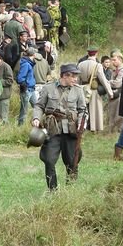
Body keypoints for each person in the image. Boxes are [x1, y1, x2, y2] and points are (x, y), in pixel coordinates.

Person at [32, 63, 87, 191]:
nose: (75, 79)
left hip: (71, 130)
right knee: (49, 160)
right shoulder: (48, 88)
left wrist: (81, 123)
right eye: (73, 76)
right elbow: (39, 105)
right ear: (64, 76)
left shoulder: (78, 90)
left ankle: (71, 190)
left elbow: (83, 110)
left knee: (72, 161)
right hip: (52, 130)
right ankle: (53, 190)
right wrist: (36, 117)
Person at [77, 46, 113, 132]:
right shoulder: (98, 65)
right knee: (94, 110)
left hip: (82, 89)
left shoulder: (80, 64)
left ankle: (82, 126)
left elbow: (78, 79)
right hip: (93, 90)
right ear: (96, 54)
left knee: (83, 109)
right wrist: (110, 92)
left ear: (88, 53)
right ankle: (93, 128)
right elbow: (103, 80)